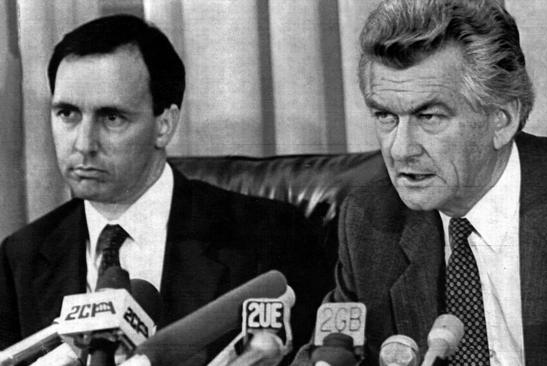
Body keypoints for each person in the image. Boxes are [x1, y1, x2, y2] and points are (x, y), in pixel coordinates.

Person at [303, 0, 547, 365]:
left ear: (501, 119)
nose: (400, 149)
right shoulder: (371, 221)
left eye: (430, 116)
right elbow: (331, 352)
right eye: (385, 116)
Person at [0, 14, 331, 364]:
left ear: (164, 125)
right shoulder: (19, 259)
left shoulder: (269, 236)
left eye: (111, 118)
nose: (84, 143)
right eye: (67, 114)